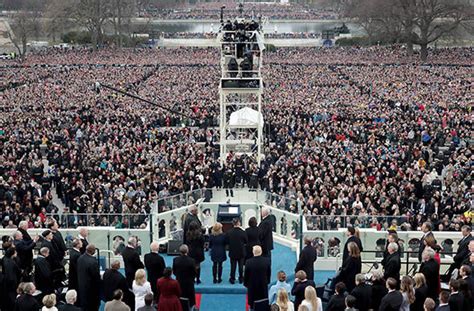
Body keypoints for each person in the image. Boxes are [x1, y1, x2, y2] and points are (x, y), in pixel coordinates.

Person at [244, 245, 271, 310]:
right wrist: (267, 282)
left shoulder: (248, 262)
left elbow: (246, 275)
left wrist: (246, 284)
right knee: (263, 303)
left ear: (253, 252)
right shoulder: (266, 261)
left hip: (252, 287)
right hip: (263, 286)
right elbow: (268, 273)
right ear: (261, 252)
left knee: (252, 305)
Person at [77, 244, 101, 311]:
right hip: (91, 288)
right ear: (93, 251)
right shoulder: (93, 262)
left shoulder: (80, 258)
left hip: (81, 285)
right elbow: (96, 277)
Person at [173, 245, 196, 309]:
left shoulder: (175, 260)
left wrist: (178, 276)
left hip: (179, 281)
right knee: (190, 296)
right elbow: (194, 272)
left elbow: (174, 271)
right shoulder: (192, 261)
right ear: (187, 251)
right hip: (189, 282)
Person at [226, 217, 248, 284]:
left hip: (232, 251)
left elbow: (227, 242)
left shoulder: (229, 232)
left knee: (233, 266)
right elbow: (246, 241)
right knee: (241, 266)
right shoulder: (243, 232)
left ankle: (232, 279)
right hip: (241, 251)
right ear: (239, 223)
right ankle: (241, 278)